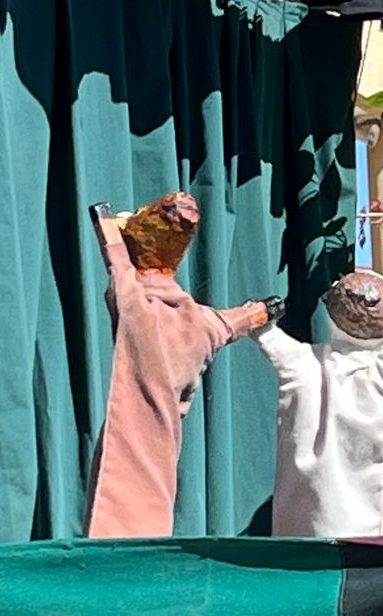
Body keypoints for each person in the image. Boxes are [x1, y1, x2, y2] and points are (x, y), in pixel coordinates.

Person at [84, 194, 276, 538]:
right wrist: (260, 312)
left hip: (134, 436)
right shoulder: (197, 321)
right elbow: (230, 323)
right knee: (152, 508)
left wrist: (107, 227)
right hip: (164, 439)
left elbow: (119, 265)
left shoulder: (134, 305)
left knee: (119, 514)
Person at [254, 269, 383, 537]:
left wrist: (262, 313)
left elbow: (264, 333)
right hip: (357, 529)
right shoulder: (380, 375)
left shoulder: (300, 362)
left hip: (294, 528)